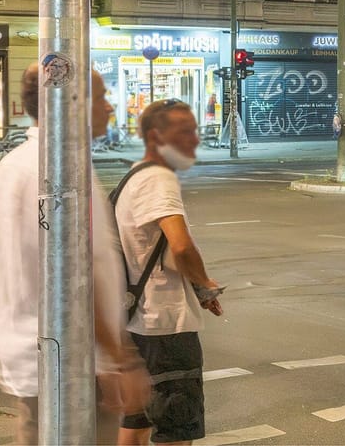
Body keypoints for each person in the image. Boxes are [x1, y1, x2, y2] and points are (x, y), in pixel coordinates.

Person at [0, 66, 149, 445]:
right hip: (69, 369)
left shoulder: (17, 164)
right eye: (100, 97)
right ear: (72, 104)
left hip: (40, 362)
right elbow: (73, 279)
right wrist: (119, 360)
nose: (109, 107)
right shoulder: (59, 173)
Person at [116, 99, 223, 445]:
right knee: (177, 428)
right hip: (165, 324)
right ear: (155, 136)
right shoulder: (158, 178)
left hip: (136, 321)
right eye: (184, 132)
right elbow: (180, 245)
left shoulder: (133, 175)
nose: (194, 139)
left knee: (136, 421)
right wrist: (205, 285)